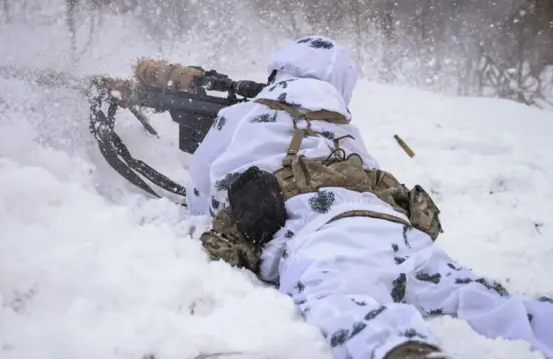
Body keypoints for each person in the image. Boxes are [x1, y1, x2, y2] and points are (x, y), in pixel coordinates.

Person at [185, 35, 553, 359]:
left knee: (342, 299)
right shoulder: (343, 126)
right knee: (468, 290)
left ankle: (399, 346)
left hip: (319, 236)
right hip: (393, 227)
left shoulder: (244, 114)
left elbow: (202, 189)